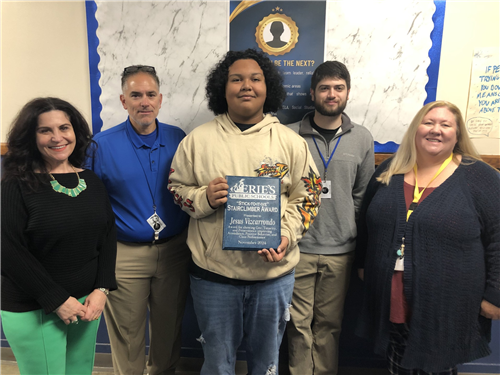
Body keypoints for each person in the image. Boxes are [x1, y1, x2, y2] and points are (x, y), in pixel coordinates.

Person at [168, 48, 322, 375]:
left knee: (266, 363)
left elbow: (308, 197)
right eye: (236, 79)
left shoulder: (291, 142)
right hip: (214, 277)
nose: (246, 86)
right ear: (222, 88)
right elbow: (176, 190)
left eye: (255, 78)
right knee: (217, 363)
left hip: (272, 277)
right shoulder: (197, 140)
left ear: (269, 88)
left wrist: (287, 235)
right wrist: (203, 197)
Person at [355, 100, 500, 373]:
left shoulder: (479, 176)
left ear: (457, 135)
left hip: (447, 302)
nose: (436, 130)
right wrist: (363, 265)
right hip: (392, 294)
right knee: (397, 360)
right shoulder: (388, 172)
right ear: (415, 129)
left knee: (436, 365)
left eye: (445, 125)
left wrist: (496, 294)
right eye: (428, 123)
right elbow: (366, 223)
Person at [0, 97, 117, 375]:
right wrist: (56, 300)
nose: (57, 137)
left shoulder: (91, 181)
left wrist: (102, 289)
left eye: (64, 128)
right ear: (31, 136)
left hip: (86, 305)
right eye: (45, 130)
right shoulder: (15, 186)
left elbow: (108, 236)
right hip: (34, 308)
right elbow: (8, 251)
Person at [90, 65, 190, 375]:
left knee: (168, 330)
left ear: (160, 99)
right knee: (127, 335)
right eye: (135, 95)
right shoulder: (101, 145)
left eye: (150, 95)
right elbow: (90, 205)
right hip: (125, 254)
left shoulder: (179, 138)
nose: (143, 102)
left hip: (174, 251)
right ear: (123, 101)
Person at [286, 61, 374, 375]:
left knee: (329, 326)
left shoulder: (362, 138)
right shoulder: (289, 134)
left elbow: (362, 194)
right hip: (299, 248)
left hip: (341, 251)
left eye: (338, 88)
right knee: (297, 325)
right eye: (324, 88)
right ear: (312, 92)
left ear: (347, 92)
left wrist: (348, 228)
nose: (331, 94)